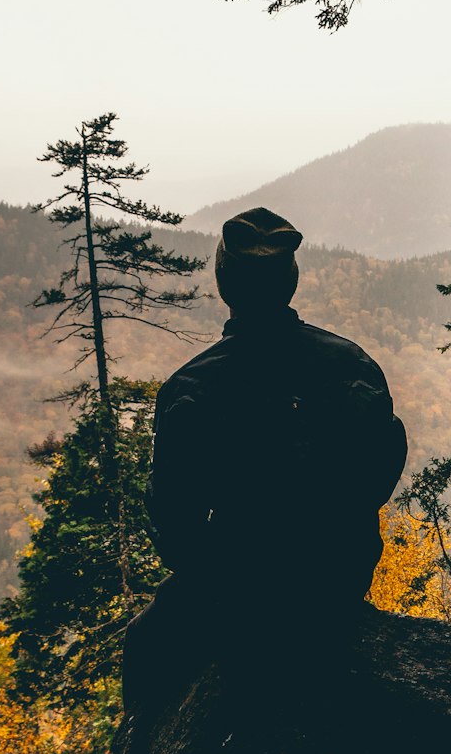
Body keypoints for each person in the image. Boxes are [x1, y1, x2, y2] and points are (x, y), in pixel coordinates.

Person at [123, 206, 408, 715]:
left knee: (144, 649)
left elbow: (174, 521)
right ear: (290, 281)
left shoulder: (194, 387)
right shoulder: (352, 364)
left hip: (240, 590)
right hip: (339, 574)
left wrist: (220, 574)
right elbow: (382, 468)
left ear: (223, 282)